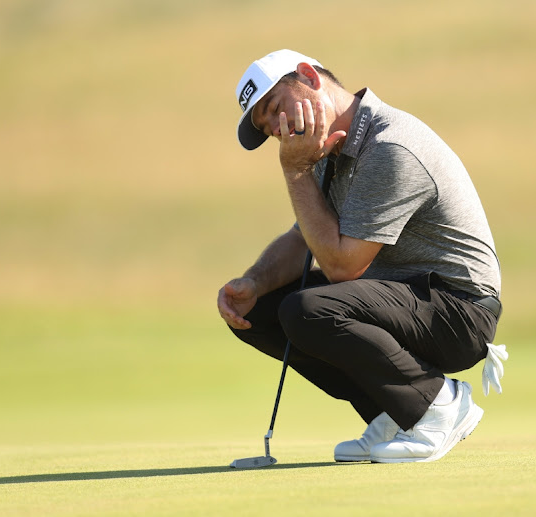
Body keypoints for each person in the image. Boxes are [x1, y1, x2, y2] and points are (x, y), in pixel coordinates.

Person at [217, 49, 508, 463]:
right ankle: (396, 414)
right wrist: (253, 283)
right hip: (402, 300)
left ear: (308, 77)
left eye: (276, 109)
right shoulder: (324, 152)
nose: (279, 131)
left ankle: (438, 405)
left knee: (309, 309)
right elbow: (305, 239)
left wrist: (294, 172)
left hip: (459, 311)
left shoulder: (390, 146)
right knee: (263, 310)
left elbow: (342, 266)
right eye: (268, 128)